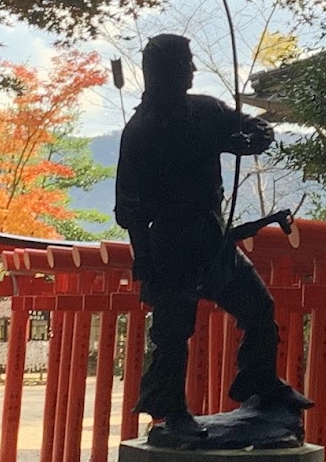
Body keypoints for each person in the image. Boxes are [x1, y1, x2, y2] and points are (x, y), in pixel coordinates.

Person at [114, 33, 312, 439]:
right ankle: (169, 411)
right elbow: (129, 207)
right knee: (172, 333)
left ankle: (258, 382)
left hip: (213, 235)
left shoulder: (205, 110)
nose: (192, 70)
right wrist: (144, 255)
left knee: (259, 306)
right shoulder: (141, 131)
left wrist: (251, 139)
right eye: (185, 63)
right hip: (169, 241)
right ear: (164, 71)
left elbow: (254, 127)